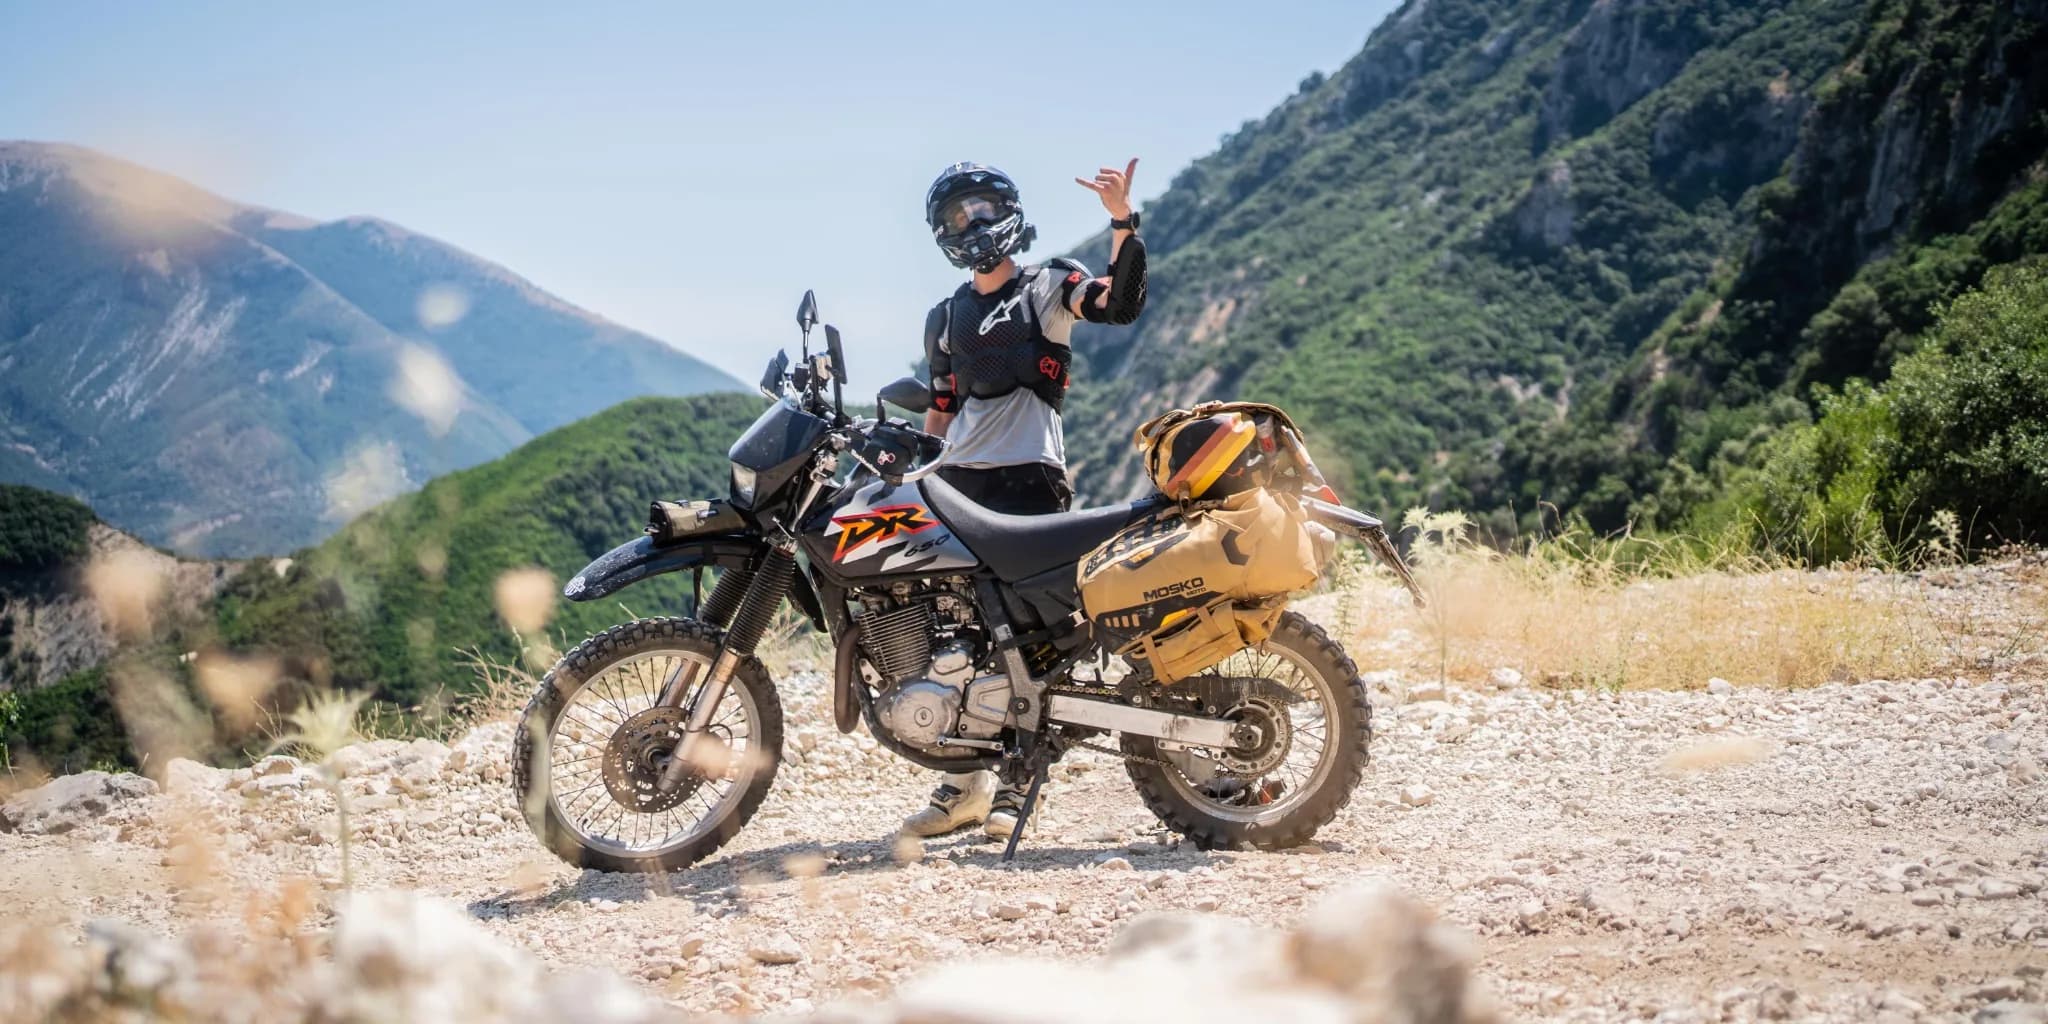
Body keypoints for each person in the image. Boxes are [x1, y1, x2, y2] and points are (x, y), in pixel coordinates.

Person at [900, 158, 1150, 839]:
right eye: (958, 216)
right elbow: (943, 407)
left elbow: (1119, 305)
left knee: (1030, 641)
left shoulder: (1050, 284)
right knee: (952, 636)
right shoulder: (945, 316)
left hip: (1032, 479)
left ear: (1007, 211)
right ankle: (963, 783)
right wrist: (919, 477)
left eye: (982, 208)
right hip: (958, 487)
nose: (972, 224)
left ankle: (1016, 785)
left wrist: (1122, 220)